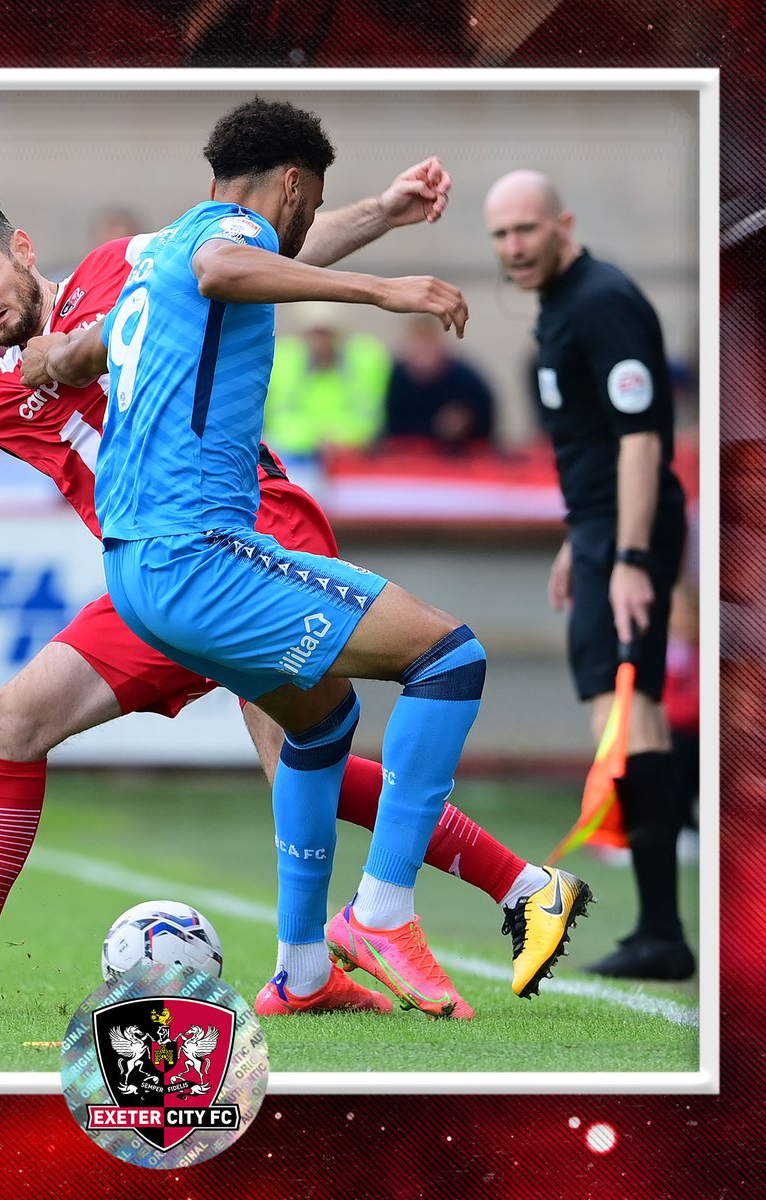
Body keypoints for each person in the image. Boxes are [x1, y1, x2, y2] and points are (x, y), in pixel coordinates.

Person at [0, 173, 586, 1023]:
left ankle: (411, 926)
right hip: (157, 573)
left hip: (252, 531)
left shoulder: (125, 269)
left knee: (302, 759)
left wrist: (380, 214)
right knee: (14, 722)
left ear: (23, 250)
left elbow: (254, 255)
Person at [40, 98, 590, 1020]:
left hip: (136, 572)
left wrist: (52, 359)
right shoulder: (223, 242)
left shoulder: (153, 263)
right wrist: (385, 291)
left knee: (323, 724)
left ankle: (301, 970)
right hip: (200, 555)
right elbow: (231, 264)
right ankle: (381, 912)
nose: (300, 230)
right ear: (292, 184)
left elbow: (89, 349)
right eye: (313, 205)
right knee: (449, 657)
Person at [483, 168, 694, 980]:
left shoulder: (602, 300)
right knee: (630, 715)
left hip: (628, 535)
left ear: (562, 225)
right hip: (604, 530)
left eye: (526, 229)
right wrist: (585, 537)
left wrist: (630, 557)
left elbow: (641, 438)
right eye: (501, 235)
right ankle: (659, 929)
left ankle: (662, 932)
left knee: (628, 715)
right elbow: (597, 443)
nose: (513, 247)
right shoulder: (561, 304)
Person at [263, 302, 391, 462]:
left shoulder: (365, 359)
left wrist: (335, 439)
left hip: (351, 453)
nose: (321, 341)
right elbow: (278, 419)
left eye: (327, 333)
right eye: (316, 333)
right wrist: (317, 439)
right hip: (296, 453)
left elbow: (369, 418)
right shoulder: (284, 359)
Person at [384, 313, 496, 449]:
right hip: (406, 454)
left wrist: (465, 424)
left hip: (456, 454)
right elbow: (389, 426)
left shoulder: (467, 380)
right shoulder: (394, 379)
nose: (424, 354)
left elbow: (487, 425)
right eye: (418, 345)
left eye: (429, 344)